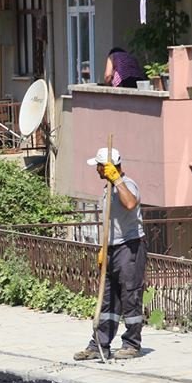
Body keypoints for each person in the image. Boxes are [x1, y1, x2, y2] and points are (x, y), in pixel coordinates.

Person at [74, 147, 147, 361]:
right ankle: (99, 344)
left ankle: (132, 344)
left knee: (130, 296)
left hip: (129, 247)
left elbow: (131, 203)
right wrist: (103, 248)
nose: (96, 170)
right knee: (107, 299)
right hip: (112, 249)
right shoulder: (107, 188)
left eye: (98, 166)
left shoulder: (127, 185)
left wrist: (117, 180)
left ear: (107, 167)